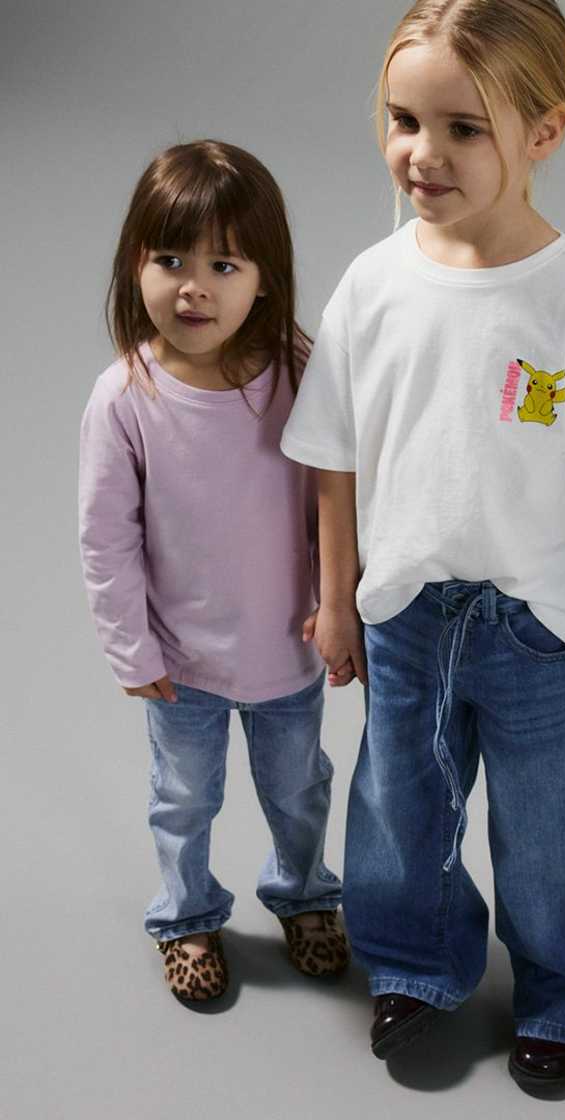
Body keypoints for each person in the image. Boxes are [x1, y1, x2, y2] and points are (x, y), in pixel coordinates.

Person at [281, 0, 565, 1096]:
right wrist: (336, 596)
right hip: (404, 613)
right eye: (403, 120)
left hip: (538, 624)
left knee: (556, 828)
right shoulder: (373, 285)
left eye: (463, 128)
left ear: (543, 131)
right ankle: (415, 968)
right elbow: (333, 459)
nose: (424, 153)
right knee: (398, 811)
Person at [79, 140, 349, 1003]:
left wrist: (336, 602)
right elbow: (106, 539)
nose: (193, 288)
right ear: (137, 264)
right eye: (171, 260)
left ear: (264, 279)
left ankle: (304, 894)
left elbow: (332, 501)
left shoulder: (299, 374)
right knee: (184, 799)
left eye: (223, 265)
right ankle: (187, 913)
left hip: (286, 653)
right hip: (181, 664)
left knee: (299, 793)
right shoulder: (125, 397)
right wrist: (132, 651)